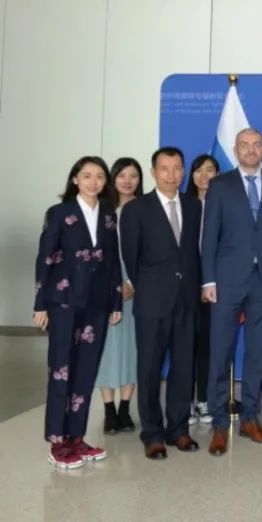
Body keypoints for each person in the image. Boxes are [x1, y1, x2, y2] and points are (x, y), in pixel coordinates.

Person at [201, 128, 262, 456]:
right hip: (227, 280)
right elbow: (209, 235)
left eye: (256, 145)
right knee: (220, 352)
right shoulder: (220, 185)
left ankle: (250, 417)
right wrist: (208, 280)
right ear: (236, 150)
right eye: (244, 145)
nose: (251, 150)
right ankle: (219, 423)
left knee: (258, 351)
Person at [35, 156, 123, 469]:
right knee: (61, 370)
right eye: (87, 175)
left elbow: (112, 261)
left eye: (99, 176)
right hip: (63, 301)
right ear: (75, 179)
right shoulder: (59, 213)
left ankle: (76, 437)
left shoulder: (108, 215)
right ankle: (57, 441)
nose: (93, 181)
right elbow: (45, 258)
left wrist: (116, 301)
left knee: (86, 371)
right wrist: (40, 303)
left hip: (97, 303)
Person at [121, 147, 203, 459]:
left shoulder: (194, 205)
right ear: (153, 172)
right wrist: (150, 288)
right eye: (164, 168)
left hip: (187, 301)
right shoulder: (136, 209)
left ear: (184, 171)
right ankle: (152, 433)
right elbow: (131, 257)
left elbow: (194, 252)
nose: (171, 174)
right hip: (152, 302)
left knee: (184, 367)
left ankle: (178, 429)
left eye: (177, 168)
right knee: (149, 369)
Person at [96, 157, 143, 435]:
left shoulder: (146, 208)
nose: (128, 181)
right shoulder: (103, 211)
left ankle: (125, 408)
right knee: (106, 348)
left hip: (140, 290)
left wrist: (133, 283)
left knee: (132, 348)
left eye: (133, 175)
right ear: (113, 179)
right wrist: (116, 283)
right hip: (106, 288)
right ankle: (109, 410)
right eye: (122, 175)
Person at [184, 154, 218, 425]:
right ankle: (184, 401)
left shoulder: (225, 205)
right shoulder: (183, 205)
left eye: (210, 170)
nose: (204, 175)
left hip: (214, 287)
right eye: (198, 170)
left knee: (207, 345)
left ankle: (204, 399)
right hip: (184, 285)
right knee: (184, 345)